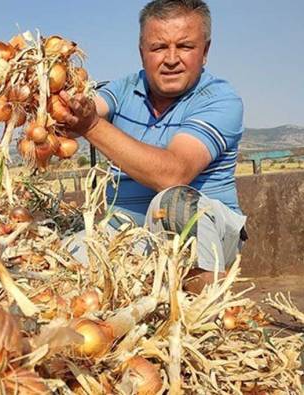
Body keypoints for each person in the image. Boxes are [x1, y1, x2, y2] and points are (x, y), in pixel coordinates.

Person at [58, 0, 247, 293]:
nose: (171, 59)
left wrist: (91, 126)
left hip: (203, 233)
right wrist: (57, 103)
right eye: (158, 48)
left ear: (205, 52)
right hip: (125, 236)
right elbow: (86, 107)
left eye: (185, 46)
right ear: (142, 53)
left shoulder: (220, 99)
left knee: (173, 204)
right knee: (58, 258)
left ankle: (204, 312)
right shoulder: (124, 88)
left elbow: (173, 174)